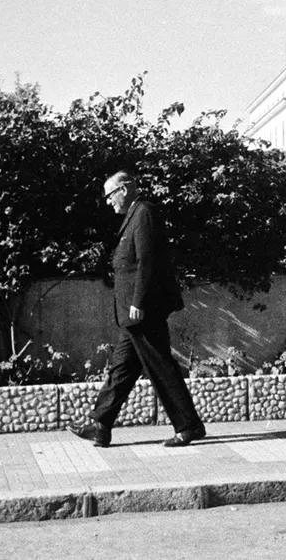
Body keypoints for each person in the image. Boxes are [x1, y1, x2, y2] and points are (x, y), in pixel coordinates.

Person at [69, 170, 206, 448]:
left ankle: (189, 425)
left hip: (143, 310)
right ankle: (100, 426)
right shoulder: (135, 214)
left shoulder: (144, 212)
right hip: (133, 312)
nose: (108, 202)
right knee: (122, 368)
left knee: (161, 367)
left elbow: (148, 261)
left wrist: (138, 302)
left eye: (110, 195)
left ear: (125, 189)